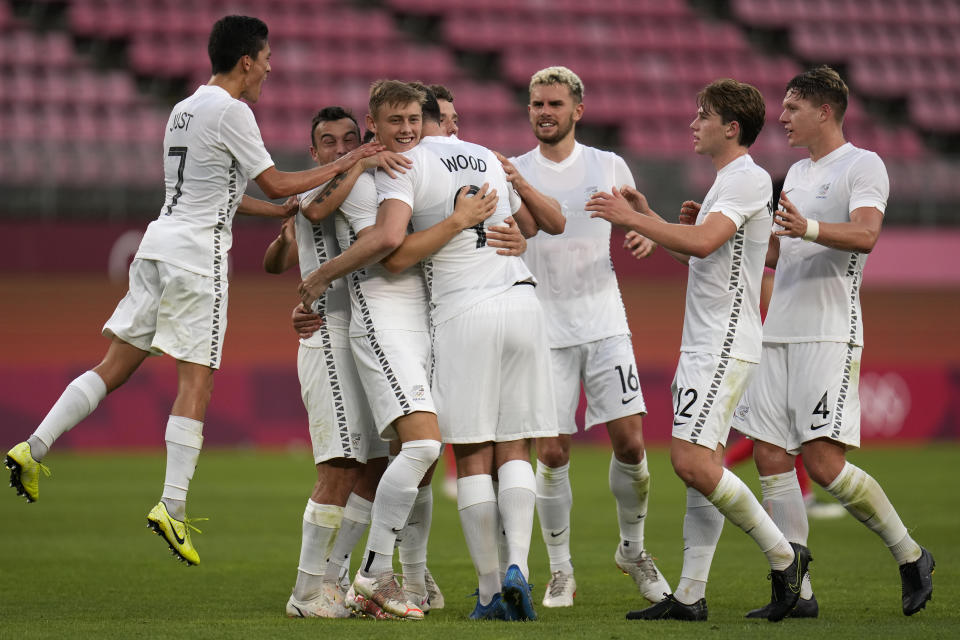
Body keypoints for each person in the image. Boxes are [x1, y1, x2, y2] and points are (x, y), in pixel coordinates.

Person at [3, 15, 380, 566]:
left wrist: (274, 211)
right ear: (247, 60)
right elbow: (273, 180)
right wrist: (352, 158)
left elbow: (214, 189)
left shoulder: (184, 108)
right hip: (197, 257)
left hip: (157, 244)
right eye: (267, 57)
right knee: (197, 381)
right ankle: (172, 506)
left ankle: (31, 447)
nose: (272, 67)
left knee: (114, 365)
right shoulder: (234, 111)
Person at [587, 78, 810, 622]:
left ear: (731, 128)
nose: (693, 123)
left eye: (703, 115)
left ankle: (785, 559)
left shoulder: (746, 179)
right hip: (707, 339)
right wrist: (658, 219)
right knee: (703, 462)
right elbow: (707, 258)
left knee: (688, 462)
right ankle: (689, 596)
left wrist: (633, 220)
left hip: (724, 341)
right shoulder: (727, 182)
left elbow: (706, 242)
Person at [341, 82, 562, 623]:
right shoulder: (486, 156)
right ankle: (519, 567)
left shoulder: (410, 165)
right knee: (516, 448)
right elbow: (527, 228)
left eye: (417, 120)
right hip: (524, 302)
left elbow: (392, 252)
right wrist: (511, 238)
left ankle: (489, 591)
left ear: (422, 122)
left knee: (471, 458)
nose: (412, 130)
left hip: (465, 313)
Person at [732, 66, 934, 617]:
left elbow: (866, 235)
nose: (782, 117)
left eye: (792, 107)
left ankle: (911, 554)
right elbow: (782, 251)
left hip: (829, 333)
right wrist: (730, 242)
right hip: (779, 334)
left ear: (824, 111)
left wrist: (810, 229)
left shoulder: (863, 166)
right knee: (770, 455)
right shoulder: (795, 172)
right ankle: (796, 592)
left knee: (823, 464)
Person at [502, 66, 669, 608]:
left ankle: (634, 551)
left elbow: (638, 217)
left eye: (554, 104)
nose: (544, 113)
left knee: (632, 443)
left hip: (603, 322)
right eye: (536, 105)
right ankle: (561, 571)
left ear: (578, 109)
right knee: (550, 452)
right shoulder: (512, 173)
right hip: (542, 328)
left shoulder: (607, 164)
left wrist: (644, 234)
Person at [262, 106, 407, 617]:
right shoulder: (313, 189)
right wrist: (358, 164)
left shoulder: (348, 186)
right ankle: (305, 593)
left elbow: (274, 258)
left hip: (363, 335)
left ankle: (335, 579)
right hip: (326, 337)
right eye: (330, 142)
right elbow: (311, 213)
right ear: (313, 151)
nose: (342, 147)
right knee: (340, 463)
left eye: (351, 138)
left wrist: (288, 250)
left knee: (372, 465)